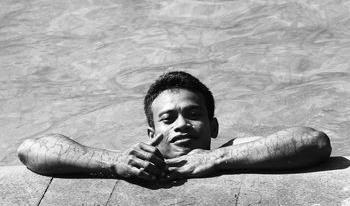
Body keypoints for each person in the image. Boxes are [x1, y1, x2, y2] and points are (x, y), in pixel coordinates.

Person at [17, 71, 332, 182]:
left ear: (213, 125)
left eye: (193, 114)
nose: (182, 124)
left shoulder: (231, 152)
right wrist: (112, 162)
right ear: (151, 133)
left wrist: (215, 159)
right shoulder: (132, 162)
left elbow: (314, 141)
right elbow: (30, 149)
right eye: (168, 118)